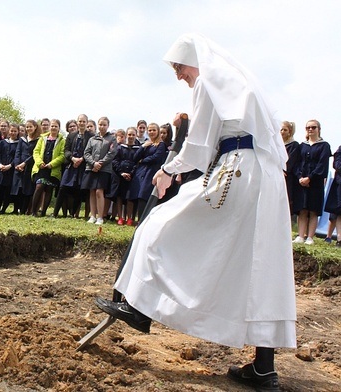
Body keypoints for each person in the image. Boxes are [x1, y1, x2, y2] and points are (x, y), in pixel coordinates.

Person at [95, 33, 296, 391]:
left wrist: (166, 170)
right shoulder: (240, 83)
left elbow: (200, 146)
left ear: (196, 61)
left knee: (159, 224)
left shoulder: (209, 81)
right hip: (264, 178)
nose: (179, 76)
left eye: (178, 67)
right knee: (258, 264)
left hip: (237, 169)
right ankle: (265, 368)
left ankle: (139, 308)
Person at [292, 119, 331, 245]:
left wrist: (310, 177)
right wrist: (300, 177)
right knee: (302, 209)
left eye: (313, 127)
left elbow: (322, 165)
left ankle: (310, 237)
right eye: (308, 127)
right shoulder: (302, 146)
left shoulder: (324, 145)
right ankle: (301, 236)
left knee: (313, 210)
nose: (310, 129)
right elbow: (297, 163)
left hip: (315, 182)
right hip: (301, 182)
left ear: (318, 129)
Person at [82, 117, 117, 225]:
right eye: (100, 124)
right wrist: (93, 163)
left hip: (104, 169)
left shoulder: (112, 139)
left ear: (108, 126)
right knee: (92, 191)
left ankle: (100, 217)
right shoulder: (92, 139)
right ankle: (92, 216)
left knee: (99, 191)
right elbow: (86, 153)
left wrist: (100, 163)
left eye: (104, 125)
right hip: (91, 168)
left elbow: (111, 153)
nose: (102, 126)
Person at [30, 119, 66, 217]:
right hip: (41, 168)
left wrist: (51, 164)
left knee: (49, 189)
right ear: (49, 127)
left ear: (59, 128)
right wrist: (39, 162)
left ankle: (44, 212)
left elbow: (62, 155)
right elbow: (36, 152)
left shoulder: (62, 141)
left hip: (52, 169)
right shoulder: (42, 138)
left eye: (56, 126)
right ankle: (33, 212)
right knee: (39, 186)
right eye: (52, 126)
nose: (53, 128)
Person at [10, 119, 41, 214]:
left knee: (27, 189)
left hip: (29, 166)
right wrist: (17, 164)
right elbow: (18, 152)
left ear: (35, 127)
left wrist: (24, 163)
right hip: (19, 166)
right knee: (17, 189)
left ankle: (24, 210)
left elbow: (34, 154)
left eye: (30, 126)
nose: (28, 128)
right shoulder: (22, 139)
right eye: (27, 127)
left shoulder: (38, 140)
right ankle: (15, 210)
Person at [280, 121, 300, 220]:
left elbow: (291, 161)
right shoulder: (277, 144)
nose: (282, 132)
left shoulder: (294, 145)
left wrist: (283, 170)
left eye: (285, 130)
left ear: (290, 131)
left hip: (287, 177)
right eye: (281, 129)